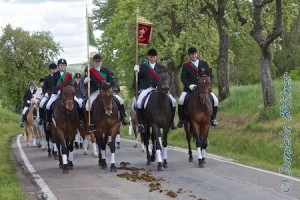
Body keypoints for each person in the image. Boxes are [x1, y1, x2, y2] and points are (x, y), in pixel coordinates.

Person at [133, 48, 177, 131]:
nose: (152, 58)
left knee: (173, 101)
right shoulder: (142, 67)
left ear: (156, 57)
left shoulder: (161, 68)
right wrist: (135, 72)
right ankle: (141, 124)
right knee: (139, 103)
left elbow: (167, 79)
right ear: (148, 57)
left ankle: (171, 122)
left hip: (159, 89)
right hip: (146, 88)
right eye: (151, 57)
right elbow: (136, 80)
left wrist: (168, 87)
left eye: (154, 57)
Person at [84, 54, 129, 131]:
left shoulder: (106, 70)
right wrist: (86, 80)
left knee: (120, 100)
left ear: (101, 62)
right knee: (88, 106)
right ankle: (91, 123)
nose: (98, 63)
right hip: (96, 91)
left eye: (99, 61)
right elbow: (86, 84)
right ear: (93, 62)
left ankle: (123, 117)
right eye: (96, 62)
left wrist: (111, 86)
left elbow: (112, 80)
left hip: (107, 91)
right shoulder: (90, 72)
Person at [177, 47, 219, 128]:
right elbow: (183, 78)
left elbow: (211, 75)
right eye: (192, 55)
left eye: (195, 54)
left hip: (204, 88)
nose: (194, 56)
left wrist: (208, 83)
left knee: (216, 100)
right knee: (181, 100)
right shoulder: (186, 65)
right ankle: (181, 120)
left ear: (197, 54)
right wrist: (190, 85)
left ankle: (213, 119)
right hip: (190, 88)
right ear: (189, 55)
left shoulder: (204, 63)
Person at [45, 58, 73, 130]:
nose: (62, 66)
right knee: (48, 105)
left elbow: (70, 84)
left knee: (77, 104)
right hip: (56, 93)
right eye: (61, 65)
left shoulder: (69, 75)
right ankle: (48, 121)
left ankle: (78, 121)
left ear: (66, 66)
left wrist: (64, 91)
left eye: (64, 65)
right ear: (58, 66)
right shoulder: (54, 75)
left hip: (66, 94)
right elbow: (52, 85)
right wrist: (58, 91)